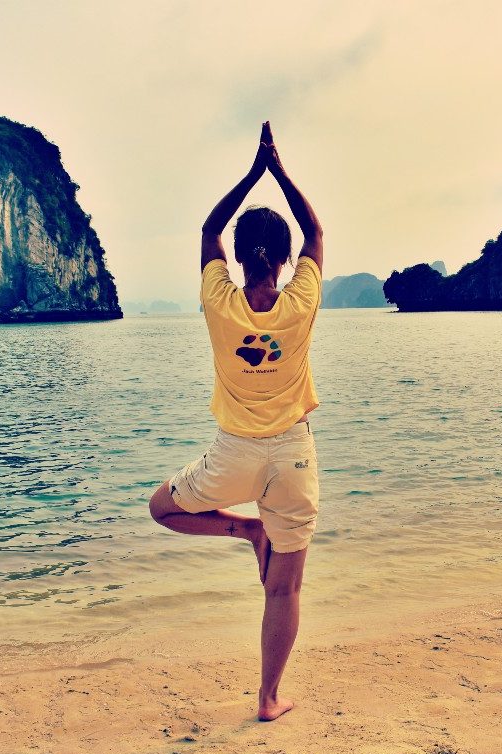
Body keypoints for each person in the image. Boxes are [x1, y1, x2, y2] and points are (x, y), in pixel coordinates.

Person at [149, 121, 323, 722]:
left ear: (242, 257)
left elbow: (208, 231)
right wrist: (278, 169)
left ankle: (244, 532)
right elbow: (316, 233)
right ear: (282, 259)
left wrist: (253, 172)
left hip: (233, 456)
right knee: (285, 589)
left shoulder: (219, 302)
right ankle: (269, 698)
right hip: (293, 457)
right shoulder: (302, 302)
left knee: (162, 507)